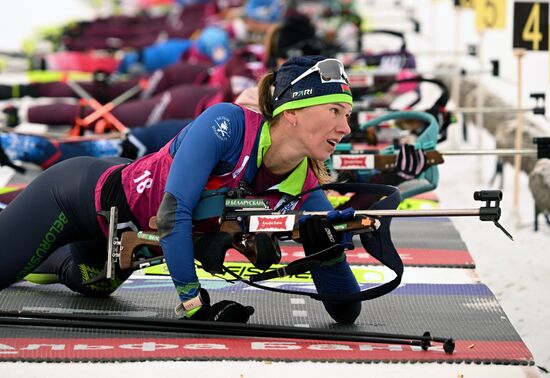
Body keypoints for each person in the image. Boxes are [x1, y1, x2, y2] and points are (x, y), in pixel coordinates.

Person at [0, 56, 362, 324]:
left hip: (117, 248)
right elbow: (173, 215)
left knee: (84, 281)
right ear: (292, 113)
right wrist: (195, 305)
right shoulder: (228, 125)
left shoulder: (307, 186)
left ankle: (32, 246)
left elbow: (346, 311)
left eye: (347, 114)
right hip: (76, 196)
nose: (345, 127)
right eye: (335, 111)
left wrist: (325, 248)